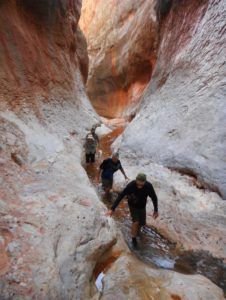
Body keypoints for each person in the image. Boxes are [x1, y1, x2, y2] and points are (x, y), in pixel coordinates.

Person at [106, 173, 158, 247]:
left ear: (144, 182)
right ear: (136, 180)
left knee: (142, 223)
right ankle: (133, 239)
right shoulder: (131, 185)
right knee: (136, 221)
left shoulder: (148, 186)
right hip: (133, 205)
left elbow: (154, 197)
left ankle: (137, 232)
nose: (139, 186)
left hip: (142, 206)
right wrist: (112, 209)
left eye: (141, 184)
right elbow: (121, 196)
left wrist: (156, 210)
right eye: (138, 183)